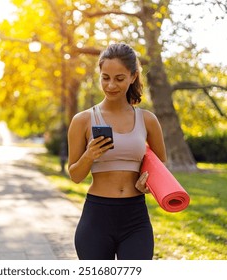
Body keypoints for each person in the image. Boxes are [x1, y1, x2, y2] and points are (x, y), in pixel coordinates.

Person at [67, 43, 167, 260]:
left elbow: (160, 167)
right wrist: (89, 155)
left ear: (132, 77)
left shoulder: (147, 120)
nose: (111, 85)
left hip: (135, 219)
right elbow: (75, 175)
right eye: (105, 78)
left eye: (119, 79)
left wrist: (147, 183)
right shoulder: (83, 120)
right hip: (96, 219)